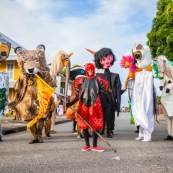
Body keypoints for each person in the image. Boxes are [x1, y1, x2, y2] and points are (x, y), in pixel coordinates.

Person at [66, 63, 109, 152]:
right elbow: (78, 95)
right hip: (83, 105)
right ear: (86, 70)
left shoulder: (98, 80)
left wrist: (104, 105)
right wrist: (71, 103)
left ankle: (94, 145)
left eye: (91, 69)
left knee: (96, 125)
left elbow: (103, 93)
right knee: (84, 124)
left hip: (95, 105)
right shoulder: (81, 81)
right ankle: (87, 145)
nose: (90, 71)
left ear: (94, 70)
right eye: (88, 69)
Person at [86, 48, 123, 138]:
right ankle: (101, 130)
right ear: (99, 61)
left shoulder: (114, 76)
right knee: (99, 116)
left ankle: (109, 131)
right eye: (103, 59)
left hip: (109, 100)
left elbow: (117, 89)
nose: (106, 61)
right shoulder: (95, 76)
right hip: (98, 100)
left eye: (109, 58)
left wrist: (115, 95)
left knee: (108, 115)